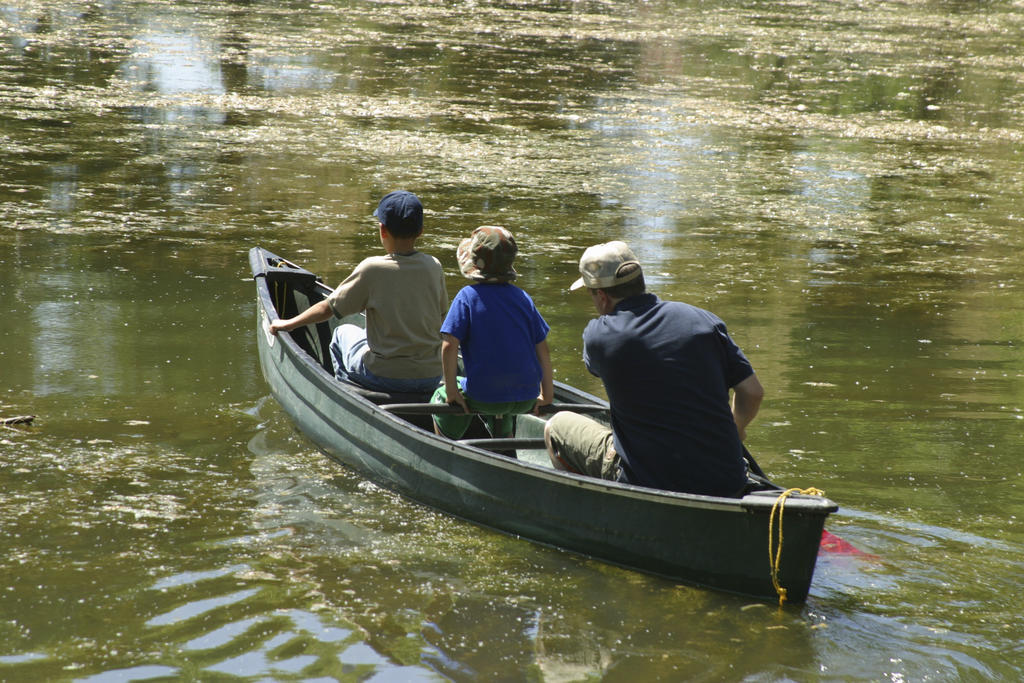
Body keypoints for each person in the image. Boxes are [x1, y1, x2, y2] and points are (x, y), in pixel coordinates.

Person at [544, 241, 764, 497]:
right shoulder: (702, 320)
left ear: (601, 296)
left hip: (648, 479)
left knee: (556, 427)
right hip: (727, 479)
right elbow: (752, 392)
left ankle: (592, 508)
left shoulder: (599, 336)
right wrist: (736, 428)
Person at [268, 190, 447, 394]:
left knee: (341, 333)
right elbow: (442, 318)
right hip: (431, 376)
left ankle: (349, 395)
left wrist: (288, 324)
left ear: (382, 230)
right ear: (421, 231)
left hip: (385, 376)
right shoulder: (434, 266)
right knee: (362, 335)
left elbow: (328, 308)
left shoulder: (372, 268)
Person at [431, 226, 554, 441]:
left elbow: (449, 345)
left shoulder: (467, 297)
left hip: (484, 398)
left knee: (441, 396)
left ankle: (447, 443)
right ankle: (504, 442)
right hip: (527, 397)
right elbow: (542, 349)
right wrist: (547, 394)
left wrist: (452, 391)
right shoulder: (524, 298)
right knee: (502, 400)